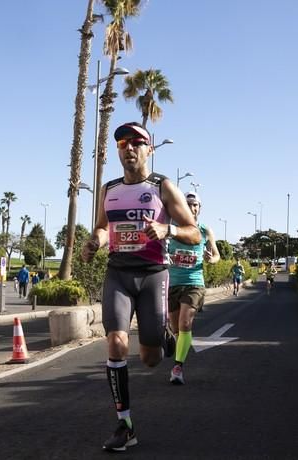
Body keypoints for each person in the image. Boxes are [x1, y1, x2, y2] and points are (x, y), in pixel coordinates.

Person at [81, 122, 201, 452]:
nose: (129, 148)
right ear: (118, 150)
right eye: (122, 143)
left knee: (150, 358)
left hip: (153, 274)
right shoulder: (110, 189)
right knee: (117, 343)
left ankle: (160, 335)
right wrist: (94, 242)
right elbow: (103, 227)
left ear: (149, 150)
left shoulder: (162, 187)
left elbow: (194, 232)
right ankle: (125, 425)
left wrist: (169, 231)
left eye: (137, 142)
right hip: (118, 273)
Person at [166, 191, 221, 385]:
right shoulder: (172, 229)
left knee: (185, 324)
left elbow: (216, 255)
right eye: (188, 204)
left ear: (200, 207)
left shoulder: (205, 230)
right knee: (176, 328)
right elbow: (160, 250)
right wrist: (166, 257)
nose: (192, 207)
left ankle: (178, 367)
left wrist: (210, 259)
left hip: (194, 283)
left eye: (195, 204)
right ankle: (174, 341)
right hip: (173, 283)